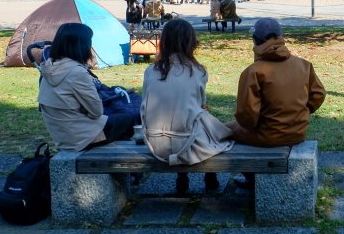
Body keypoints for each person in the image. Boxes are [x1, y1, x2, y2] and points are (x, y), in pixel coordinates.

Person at [228, 17, 325, 192]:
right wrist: (301, 111)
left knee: (225, 130)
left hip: (268, 135)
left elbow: (246, 116)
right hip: (298, 132)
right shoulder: (304, 65)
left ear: (255, 40)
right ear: (281, 37)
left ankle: (251, 176)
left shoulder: (253, 72)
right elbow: (318, 94)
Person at [141, 19, 233, 195]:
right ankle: (209, 176)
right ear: (190, 42)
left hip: (155, 143)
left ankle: (182, 177)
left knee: (190, 120)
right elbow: (199, 105)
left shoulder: (150, 71)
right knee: (209, 126)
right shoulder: (198, 72)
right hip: (186, 142)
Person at [38, 23, 136, 151]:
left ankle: (119, 166)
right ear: (81, 46)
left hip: (62, 135)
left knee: (117, 119)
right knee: (129, 118)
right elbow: (96, 111)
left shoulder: (49, 67)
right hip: (81, 138)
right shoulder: (76, 72)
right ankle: (123, 166)